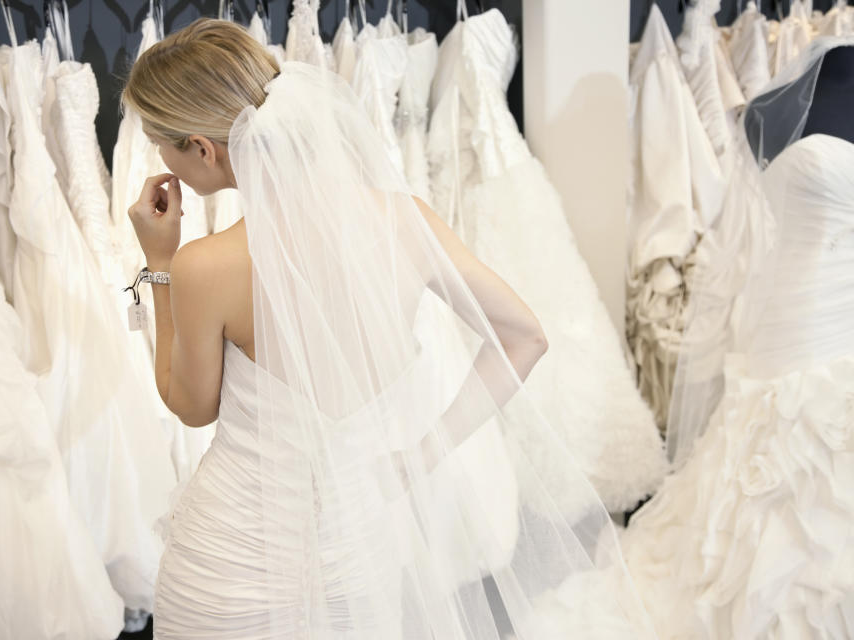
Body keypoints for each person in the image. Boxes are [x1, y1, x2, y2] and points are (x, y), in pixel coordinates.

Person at [123, 17, 655, 639]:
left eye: (161, 141)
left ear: (203, 149)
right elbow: (526, 337)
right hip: (359, 547)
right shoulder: (406, 222)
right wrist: (419, 454)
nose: (161, 158)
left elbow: (190, 406)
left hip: (236, 557)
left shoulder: (205, 265)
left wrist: (159, 265)